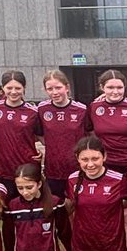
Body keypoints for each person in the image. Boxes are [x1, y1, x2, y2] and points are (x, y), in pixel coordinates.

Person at [67, 136, 127, 251]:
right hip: (84, 250)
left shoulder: (118, 179)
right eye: (84, 159)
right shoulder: (72, 180)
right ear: (77, 159)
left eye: (95, 158)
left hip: (111, 250)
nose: (90, 164)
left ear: (104, 156)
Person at [37, 69, 92, 199]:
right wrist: (53, 145)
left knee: (78, 205)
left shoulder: (81, 109)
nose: (54, 92)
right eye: (50, 89)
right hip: (53, 169)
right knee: (57, 207)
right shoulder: (41, 109)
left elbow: (90, 134)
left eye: (58, 87)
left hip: (77, 167)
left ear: (67, 87)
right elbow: (38, 133)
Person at [89, 69, 127, 175]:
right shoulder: (94, 107)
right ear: (102, 87)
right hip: (106, 163)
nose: (115, 91)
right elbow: (90, 132)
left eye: (119, 87)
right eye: (110, 87)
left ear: (124, 87)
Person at [0, 70, 42, 193]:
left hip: (27, 166)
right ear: (3, 88)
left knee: (28, 203)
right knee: (6, 206)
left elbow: (43, 138)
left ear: (24, 88)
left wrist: (43, 154)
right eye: (9, 88)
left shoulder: (33, 112)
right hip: (3, 167)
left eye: (18, 88)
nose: (13, 92)